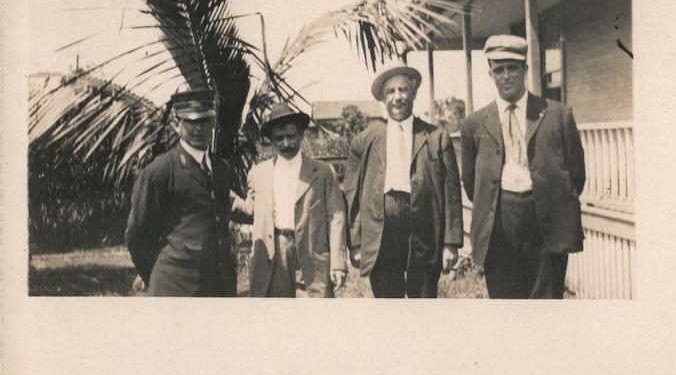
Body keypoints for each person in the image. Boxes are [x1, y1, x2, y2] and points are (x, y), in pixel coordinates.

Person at [460, 34, 586, 299]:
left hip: (546, 224)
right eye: (499, 69)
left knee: (546, 303)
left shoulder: (557, 115)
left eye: (513, 68)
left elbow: (576, 175)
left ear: (525, 70)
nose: (506, 75)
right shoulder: (473, 124)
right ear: (490, 74)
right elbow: (471, 183)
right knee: (506, 306)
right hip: (498, 223)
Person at [343, 65, 462, 298]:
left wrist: (451, 242)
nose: (397, 97)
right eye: (390, 92)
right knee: (388, 304)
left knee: (424, 301)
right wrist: (356, 243)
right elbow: (351, 195)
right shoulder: (364, 141)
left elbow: (452, 194)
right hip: (381, 231)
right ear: (382, 98)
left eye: (403, 90)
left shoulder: (437, 137)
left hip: (424, 230)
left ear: (414, 93)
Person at [126, 89, 236, 297]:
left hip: (217, 286)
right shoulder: (161, 171)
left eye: (205, 121)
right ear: (177, 126)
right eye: (191, 122)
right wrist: (158, 274)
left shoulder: (221, 169)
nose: (199, 128)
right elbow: (138, 235)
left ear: (213, 123)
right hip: (176, 287)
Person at [230, 103, 347, 298]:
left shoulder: (323, 172)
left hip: (311, 254)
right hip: (274, 254)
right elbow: (252, 211)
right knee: (279, 317)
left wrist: (338, 263)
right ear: (271, 141)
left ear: (301, 135)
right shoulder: (259, 173)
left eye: (291, 136)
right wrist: (224, 196)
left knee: (314, 318)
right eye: (279, 138)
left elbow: (336, 217)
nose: (286, 143)